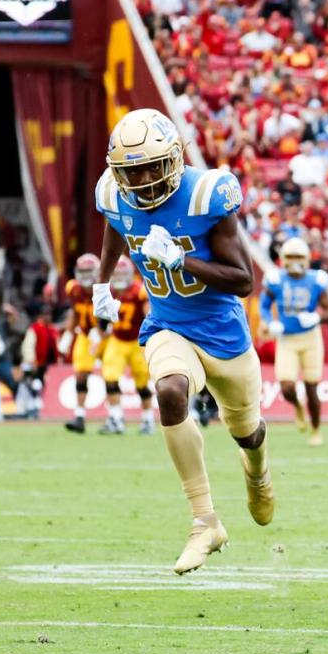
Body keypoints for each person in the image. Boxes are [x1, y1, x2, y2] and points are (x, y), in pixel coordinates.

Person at [92, 108, 273, 575]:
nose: (146, 178)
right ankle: (204, 522)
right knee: (169, 392)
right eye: (134, 170)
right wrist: (102, 282)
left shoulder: (206, 194)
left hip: (224, 335)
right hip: (169, 324)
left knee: (247, 433)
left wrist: (180, 261)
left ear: (174, 158)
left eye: (154, 165)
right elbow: (116, 221)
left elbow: (242, 280)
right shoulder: (114, 192)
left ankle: (257, 472)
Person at [261, 237, 328, 446]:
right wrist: (270, 322)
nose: (294, 261)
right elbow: (264, 306)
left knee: (312, 387)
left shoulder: (315, 280)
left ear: (307, 259)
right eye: (290, 257)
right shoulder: (276, 279)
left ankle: (316, 429)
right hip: (287, 339)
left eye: (298, 257)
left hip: (311, 338)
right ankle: (298, 407)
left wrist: (317, 317)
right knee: (286, 387)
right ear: (283, 258)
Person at [99, 257, 156, 434]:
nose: (119, 277)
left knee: (142, 383)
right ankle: (116, 418)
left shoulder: (139, 291)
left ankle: (148, 419)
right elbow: (102, 317)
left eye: (123, 273)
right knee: (110, 377)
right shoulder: (110, 291)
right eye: (116, 274)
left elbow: (149, 316)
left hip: (137, 341)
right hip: (117, 339)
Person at [61, 253, 104, 434]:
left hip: (109, 335)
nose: (86, 276)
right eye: (83, 272)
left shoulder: (105, 287)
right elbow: (74, 311)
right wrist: (68, 334)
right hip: (85, 334)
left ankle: (115, 418)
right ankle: (79, 417)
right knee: (80, 374)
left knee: (112, 375)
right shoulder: (74, 288)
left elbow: (114, 314)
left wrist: (101, 332)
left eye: (89, 271)